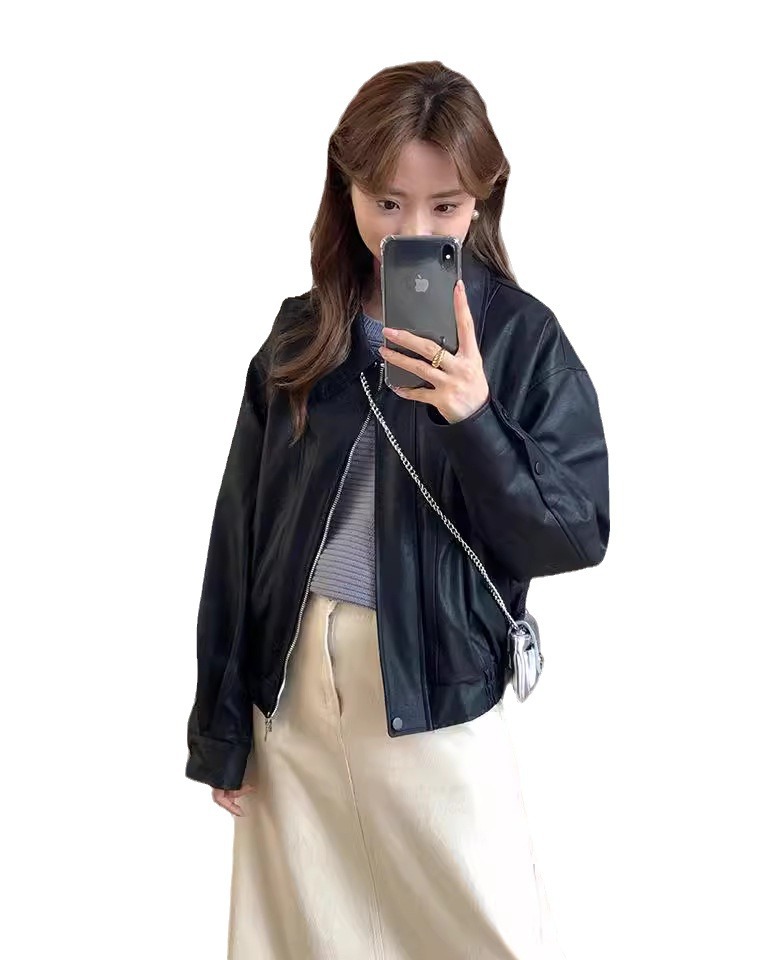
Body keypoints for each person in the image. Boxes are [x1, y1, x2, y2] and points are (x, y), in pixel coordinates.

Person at [185, 59, 610, 960]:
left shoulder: (522, 339)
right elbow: (239, 536)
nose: (412, 230)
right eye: (386, 202)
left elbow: (576, 532)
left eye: (444, 206)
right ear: (345, 191)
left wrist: (474, 420)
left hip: (433, 685)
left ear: (482, 200)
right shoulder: (301, 333)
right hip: (291, 692)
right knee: (299, 937)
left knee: (486, 935)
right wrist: (220, 725)